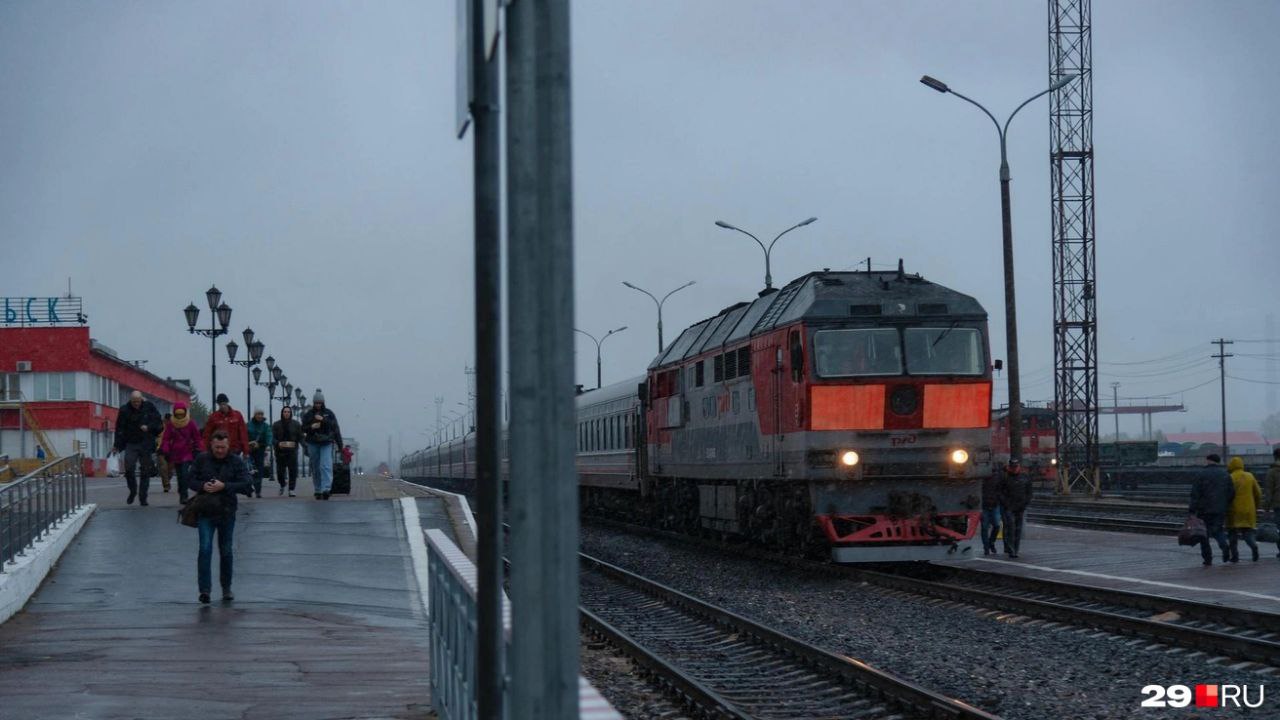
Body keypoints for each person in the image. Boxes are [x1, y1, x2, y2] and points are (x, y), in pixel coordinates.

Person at [187, 431, 252, 604]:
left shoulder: (235, 461)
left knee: (226, 551)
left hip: (227, 511)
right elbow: (190, 479)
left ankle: (226, 588)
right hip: (205, 510)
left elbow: (247, 484)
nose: (220, 451)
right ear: (211, 445)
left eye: (223, 447)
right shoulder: (202, 459)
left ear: (228, 446)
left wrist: (224, 486)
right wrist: (203, 485)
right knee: (205, 549)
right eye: (217, 447)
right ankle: (205, 590)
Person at [112, 391, 162, 506]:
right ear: (130, 400)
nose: (136, 404)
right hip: (131, 443)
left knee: (145, 471)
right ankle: (133, 490)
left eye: (138, 402)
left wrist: (148, 427)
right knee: (129, 468)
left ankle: (143, 497)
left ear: (141, 400)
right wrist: (117, 445)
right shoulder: (124, 410)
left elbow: (158, 423)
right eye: (134, 402)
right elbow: (119, 428)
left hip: (146, 443)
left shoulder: (149, 407)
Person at [1189, 453, 1235, 566]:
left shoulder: (1201, 474)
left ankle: (1208, 559)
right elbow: (1232, 492)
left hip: (1204, 509)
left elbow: (1195, 494)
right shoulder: (1225, 474)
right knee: (1218, 530)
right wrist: (1224, 503)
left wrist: (1192, 510)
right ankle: (1224, 545)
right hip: (1220, 508)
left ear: (1208, 460)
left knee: (1203, 534)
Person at [301, 389, 342, 500]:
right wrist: (311, 427)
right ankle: (318, 489)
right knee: (315, 466)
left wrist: (340, 445)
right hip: (313, 443)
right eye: (316, 403)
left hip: (326, 442)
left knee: (325, 465)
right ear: (314, 403)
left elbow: (334, 427)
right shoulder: (309, 414)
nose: (318, 405)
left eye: (320, 403)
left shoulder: (329, 413)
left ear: (323, 402)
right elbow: (303, 428)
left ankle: (326, 489)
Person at [159, 401, 203, 504]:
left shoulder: (190, 423)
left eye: (181, 414)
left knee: (184, 473)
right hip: (175, 453)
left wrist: (199, 448)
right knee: (180, 475)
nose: (179, 416)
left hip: (187, 452)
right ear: (174, 413)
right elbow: (166, 438)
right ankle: (181, 491)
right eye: (177, 414)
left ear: (185, 413)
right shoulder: (171, 424)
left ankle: (184, 495)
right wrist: (165, 449)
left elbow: (197, 437)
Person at [1226, 456, 1263, 563]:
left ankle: (1235, 556)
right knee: (1247, 533)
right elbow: (1258, 493)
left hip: (1233, 510)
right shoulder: (1250, 476)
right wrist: (1255, 506)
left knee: (1232, 534)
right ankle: (1253, 546)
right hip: (1248, 509)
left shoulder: (1230, 477)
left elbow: (1226, 494)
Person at [997, 460, 1032, 558]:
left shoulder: (1025, 478)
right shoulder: (1005, 478)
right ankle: (1012, 550)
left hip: (1020, 507)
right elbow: (999, 492)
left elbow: (1029, 492)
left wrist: (1025, 503)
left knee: (1017, 530)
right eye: (1013, 467)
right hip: (1009, 507)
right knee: (1011, 528)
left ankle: (1015, 549)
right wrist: (1005, 503)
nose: (1015, 468)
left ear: (1019, 466)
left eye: (1016, 466)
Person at [203, 393, 250, 458]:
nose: (222, 406)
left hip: (234, 449)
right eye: (220, 404)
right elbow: (207, 434)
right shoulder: (213, 417)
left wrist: (246, 450)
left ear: (227, 403)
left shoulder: (237, 415)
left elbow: (243, 433)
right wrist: (205, 450)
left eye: (224, 404)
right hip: (220, 450)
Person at [272, 405, 304, 496]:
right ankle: (282, 484)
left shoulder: (296, 424)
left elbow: (300, 437)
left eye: (288, 412)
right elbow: (272, 438)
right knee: (280, 472)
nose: (286, 413)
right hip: (280, 451)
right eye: (285, 412)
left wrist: (304, 445)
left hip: (292, 451)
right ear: (282, 413)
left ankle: (291, 489)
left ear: (291, 413)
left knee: (293, 471)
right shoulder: (276, 424)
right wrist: (278, 443)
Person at [246, 408, 272, 499]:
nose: (260, 416)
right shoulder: (248, 425)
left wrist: (268, 445)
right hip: (249, 449)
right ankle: (248, 489)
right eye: (258, 414)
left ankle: (258, 491)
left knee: (259, 471)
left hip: (260, 449)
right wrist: (249, 443)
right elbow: (244, 435)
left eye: (261, 414)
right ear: (254, 415)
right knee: (249, 470)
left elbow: (269, 435)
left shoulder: (265, 426)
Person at [980, 467, 1002, 556]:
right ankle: (987, 546)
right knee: (990, 526)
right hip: (987, 505)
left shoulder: (982, 479)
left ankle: (989, 544)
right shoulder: (996, 478)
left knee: (994, 526)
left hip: (991, 504)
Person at [1264, 448, 1280, 559]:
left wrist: (1267, 507)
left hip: (1278, 503)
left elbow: (1269, 490)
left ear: (1274, 456)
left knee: (1279, 528)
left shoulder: (1272, 471)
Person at [156, 413, 174, 493]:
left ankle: (167, 480)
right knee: (163, 468)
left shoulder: (175, 426)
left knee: (170, 469)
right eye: (168, 421)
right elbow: (155, 434)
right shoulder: (160, 426)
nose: (169, 422)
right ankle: (166, 485)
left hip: (172, 450)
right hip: (161, 449)